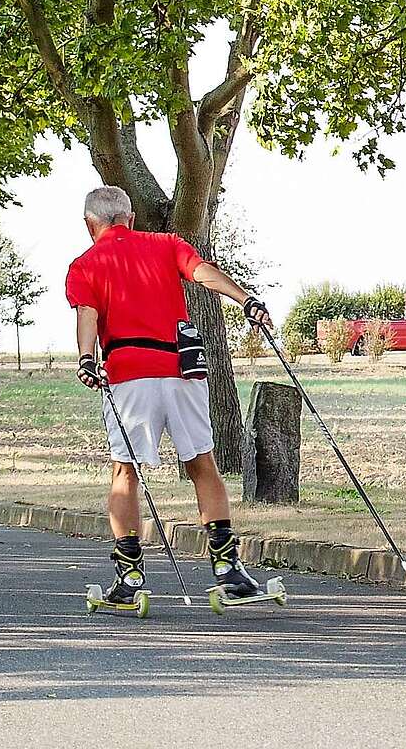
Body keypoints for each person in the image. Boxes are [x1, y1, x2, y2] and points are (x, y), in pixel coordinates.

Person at [66, 185, 274, 605]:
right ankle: (227, 567)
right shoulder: (166, 244)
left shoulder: (85, 264)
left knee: (125, 472)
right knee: (202, 465)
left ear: (91, 224)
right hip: (182, 370)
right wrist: (246, 300)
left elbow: (88, 315)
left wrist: (87, 359)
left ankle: (130, 578)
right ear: (130, 218)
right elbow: (203, 272)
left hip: (128, 377)